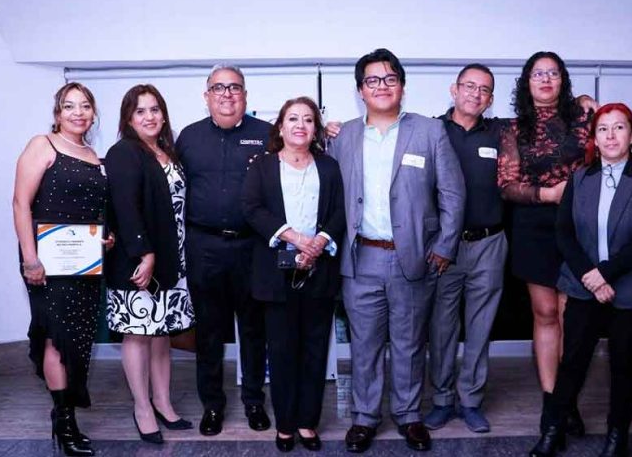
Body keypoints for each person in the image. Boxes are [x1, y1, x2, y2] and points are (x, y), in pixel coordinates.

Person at [328, 48, 465, 453]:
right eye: (372, 80)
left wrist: (445, 245)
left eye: (390, 79)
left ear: (402, 86)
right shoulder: (344, 136)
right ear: (360, 90)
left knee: (409, 342)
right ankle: (365, 417)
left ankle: (408, 415)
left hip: (414, 256)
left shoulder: (429, 131)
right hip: (361, 258)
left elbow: (452, 193)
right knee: (365, 344)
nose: (382, 86)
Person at [530, 103, 632, 457]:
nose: (611, 135)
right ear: (594, 138)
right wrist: (590, 278)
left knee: (623, 365)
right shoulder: (580, 179)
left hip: (630, 288)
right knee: (572, 362)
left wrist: (605, 274)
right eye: (603, 129)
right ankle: (553, 430)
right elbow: (564, 234)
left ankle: (617, 437)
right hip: (583, 286)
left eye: (619, 127)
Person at [497, 51, 593, 436]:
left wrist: (589, 102)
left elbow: (612, 149)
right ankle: (551, 401)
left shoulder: (584, 118)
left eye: (553, 73)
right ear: (527, 82)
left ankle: (568, 400)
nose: (546, 79)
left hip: (578, 224)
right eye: (538, 73)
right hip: (533, 224)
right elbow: (506, 185)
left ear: (562, 80)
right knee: (546, 312)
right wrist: (547, 194)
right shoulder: (513, 128)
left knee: (571, 316)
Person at [242, 97, 345, 453]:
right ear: (281, 127)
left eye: (308, 120)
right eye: (292, 119)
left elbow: (340, 211)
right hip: (276, 272)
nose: (300, 125)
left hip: (320, 268)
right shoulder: (262, 166)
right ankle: (285, 425)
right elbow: (251, 209)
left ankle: (307, 422)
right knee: (282, 351)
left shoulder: (329, 167)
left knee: (315, 350)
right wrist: (296, 238)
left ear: (316, 129)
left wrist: (319, 242)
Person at [13, 82, 108, 456]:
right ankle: (65, 422)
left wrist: (105, 239)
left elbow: (95, 211)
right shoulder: (43, 145)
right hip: (46, 263)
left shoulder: (94, 156)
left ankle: (65, 414)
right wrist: (30, 259)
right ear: (57, 113)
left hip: (83, 263)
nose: (78, 113)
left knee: (79, 337)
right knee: (57, 336)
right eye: (70, 106)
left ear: (93, 113)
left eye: (85, 106)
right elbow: (20, 203)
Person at [175, 64, 270, 435]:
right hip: (205, 247)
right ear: (207, 96)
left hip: (252, 248)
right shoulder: (189, 137)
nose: (227, 94)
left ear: (245, 95)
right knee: (210, 333)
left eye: (234, 87)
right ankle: (212, 406)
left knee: (253, 330)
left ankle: (254, 401)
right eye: (219, 88)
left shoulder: (267, 134)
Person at [105, 84, 195, 444]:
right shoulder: (123, 152)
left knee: (161, 334)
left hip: (173, 259)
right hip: (138, 259)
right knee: (138, 334)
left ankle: (163, 402)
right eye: (140, 111)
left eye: (155, 109)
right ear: (128, 118)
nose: (149, 117)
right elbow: (125, 207)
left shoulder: (167, 152)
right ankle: (142, 407)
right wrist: (145, 253)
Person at [422, 64, 508, 433]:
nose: (476, 94)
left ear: (490, 99)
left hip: (489, 243)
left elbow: (543, 123)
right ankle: (442, 399)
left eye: (484, 89)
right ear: (453, 90)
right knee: (441, 326)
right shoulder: (430, 130)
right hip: (444, 246)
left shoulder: (502, 134)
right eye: (469, 86)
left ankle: (470, 400)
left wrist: (583, 101)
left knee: (480, 326)